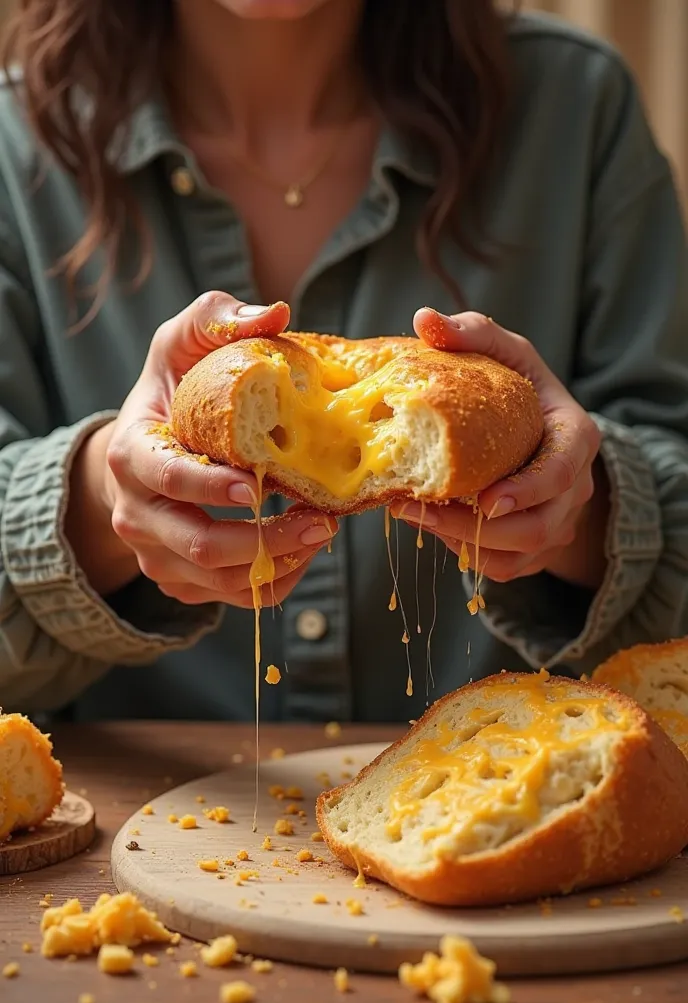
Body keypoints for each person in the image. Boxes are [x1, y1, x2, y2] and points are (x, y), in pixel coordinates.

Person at [0, 0, 686, 725]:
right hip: (134, 823)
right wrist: (102, 498)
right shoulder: (16, 145)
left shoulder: (575, 106)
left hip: (504, 809)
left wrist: (586, 499)